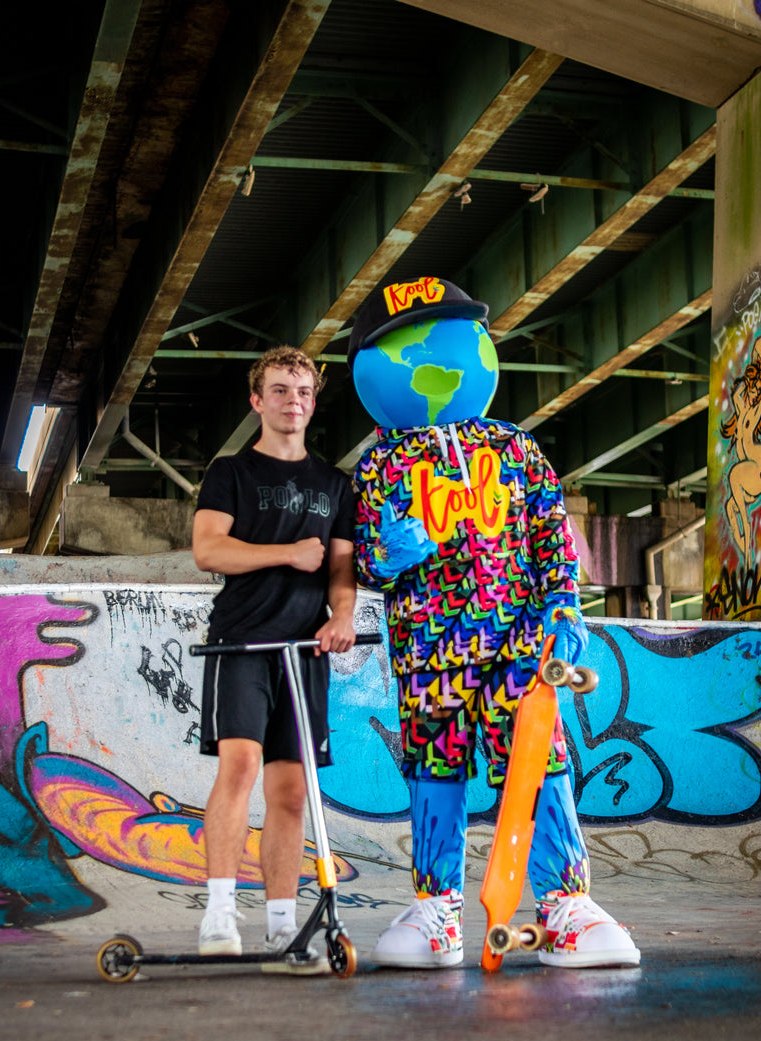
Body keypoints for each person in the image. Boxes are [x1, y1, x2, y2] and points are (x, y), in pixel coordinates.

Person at [350, 276, 640, 969]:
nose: (438, 363)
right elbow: (361, 560)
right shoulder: (378, 466)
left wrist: (565, 607)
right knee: (433, 770)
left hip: (520, 644)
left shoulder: (517, 451)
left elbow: (552, 543)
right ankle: (437, 908)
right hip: (428, 653)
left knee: (540, 763)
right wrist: (386, 554)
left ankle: (566, 904)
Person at [193, 345, 356, 971]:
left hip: (303, 652)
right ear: (257, 400)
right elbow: (209, 550)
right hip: (241, 642)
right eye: (282, 390)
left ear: (314, 404)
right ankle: (219, 913)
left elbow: (341, 569)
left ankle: (283, 930)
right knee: (238, 769)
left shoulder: (334, 484)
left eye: (304, 392)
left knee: (291, 793)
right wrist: (285, 555)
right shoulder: (231, 472)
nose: (295, 401)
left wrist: (342, 616)